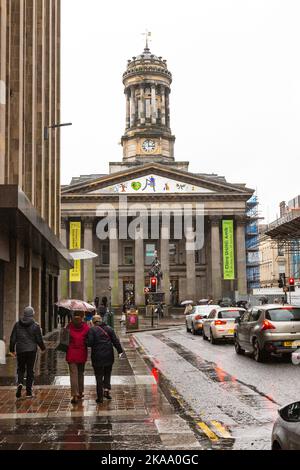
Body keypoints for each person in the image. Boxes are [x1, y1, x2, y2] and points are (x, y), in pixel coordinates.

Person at [9, 306, 46, 399]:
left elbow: (12, 338)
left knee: (20, 369)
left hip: (20, 350)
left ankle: (20, 383)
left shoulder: (17, 324)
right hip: (31, 350)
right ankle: (29, 391)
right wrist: (43, 348)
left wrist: (12, 350)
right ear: (32, 314)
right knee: (30, 370)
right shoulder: (36, 325)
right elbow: (39, 339)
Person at [87, 314, 124, 404]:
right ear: (101, 320)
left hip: (97, 356)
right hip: (108, 355)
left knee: (98, 376)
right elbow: (115, 341)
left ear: (93, 322)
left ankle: (100, 397)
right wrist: (120, 351)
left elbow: (89, 343)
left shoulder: (92, 330)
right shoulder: (109, 329)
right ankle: (106, 391)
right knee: (107, 374)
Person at [66, 311, 90, 404]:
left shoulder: (69, 326)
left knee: (73, 374)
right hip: (82, 353)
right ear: (82, 316)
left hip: (71, 353)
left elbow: (65, 339)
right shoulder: (86, 327)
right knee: (81, 373)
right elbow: (89, 339)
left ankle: (74, 395)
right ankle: (80, 392)